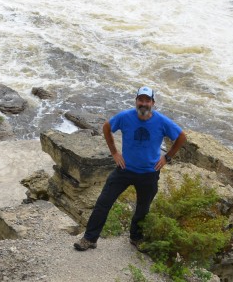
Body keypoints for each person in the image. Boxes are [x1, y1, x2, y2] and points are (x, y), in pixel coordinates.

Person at [73, 85, 187, 251]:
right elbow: (107, 127)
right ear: (136, 101)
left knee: (143, 208)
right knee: (103, 202)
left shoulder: (162, 122)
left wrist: (167, 157)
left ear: (153, 103)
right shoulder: (125, 117)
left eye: (147, 100)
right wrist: (114, 153)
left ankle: (136, 238)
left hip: (149, 173)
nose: (143, 103)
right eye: (141, 99)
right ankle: (90, 239)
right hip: (124, 170)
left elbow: (181, 137)